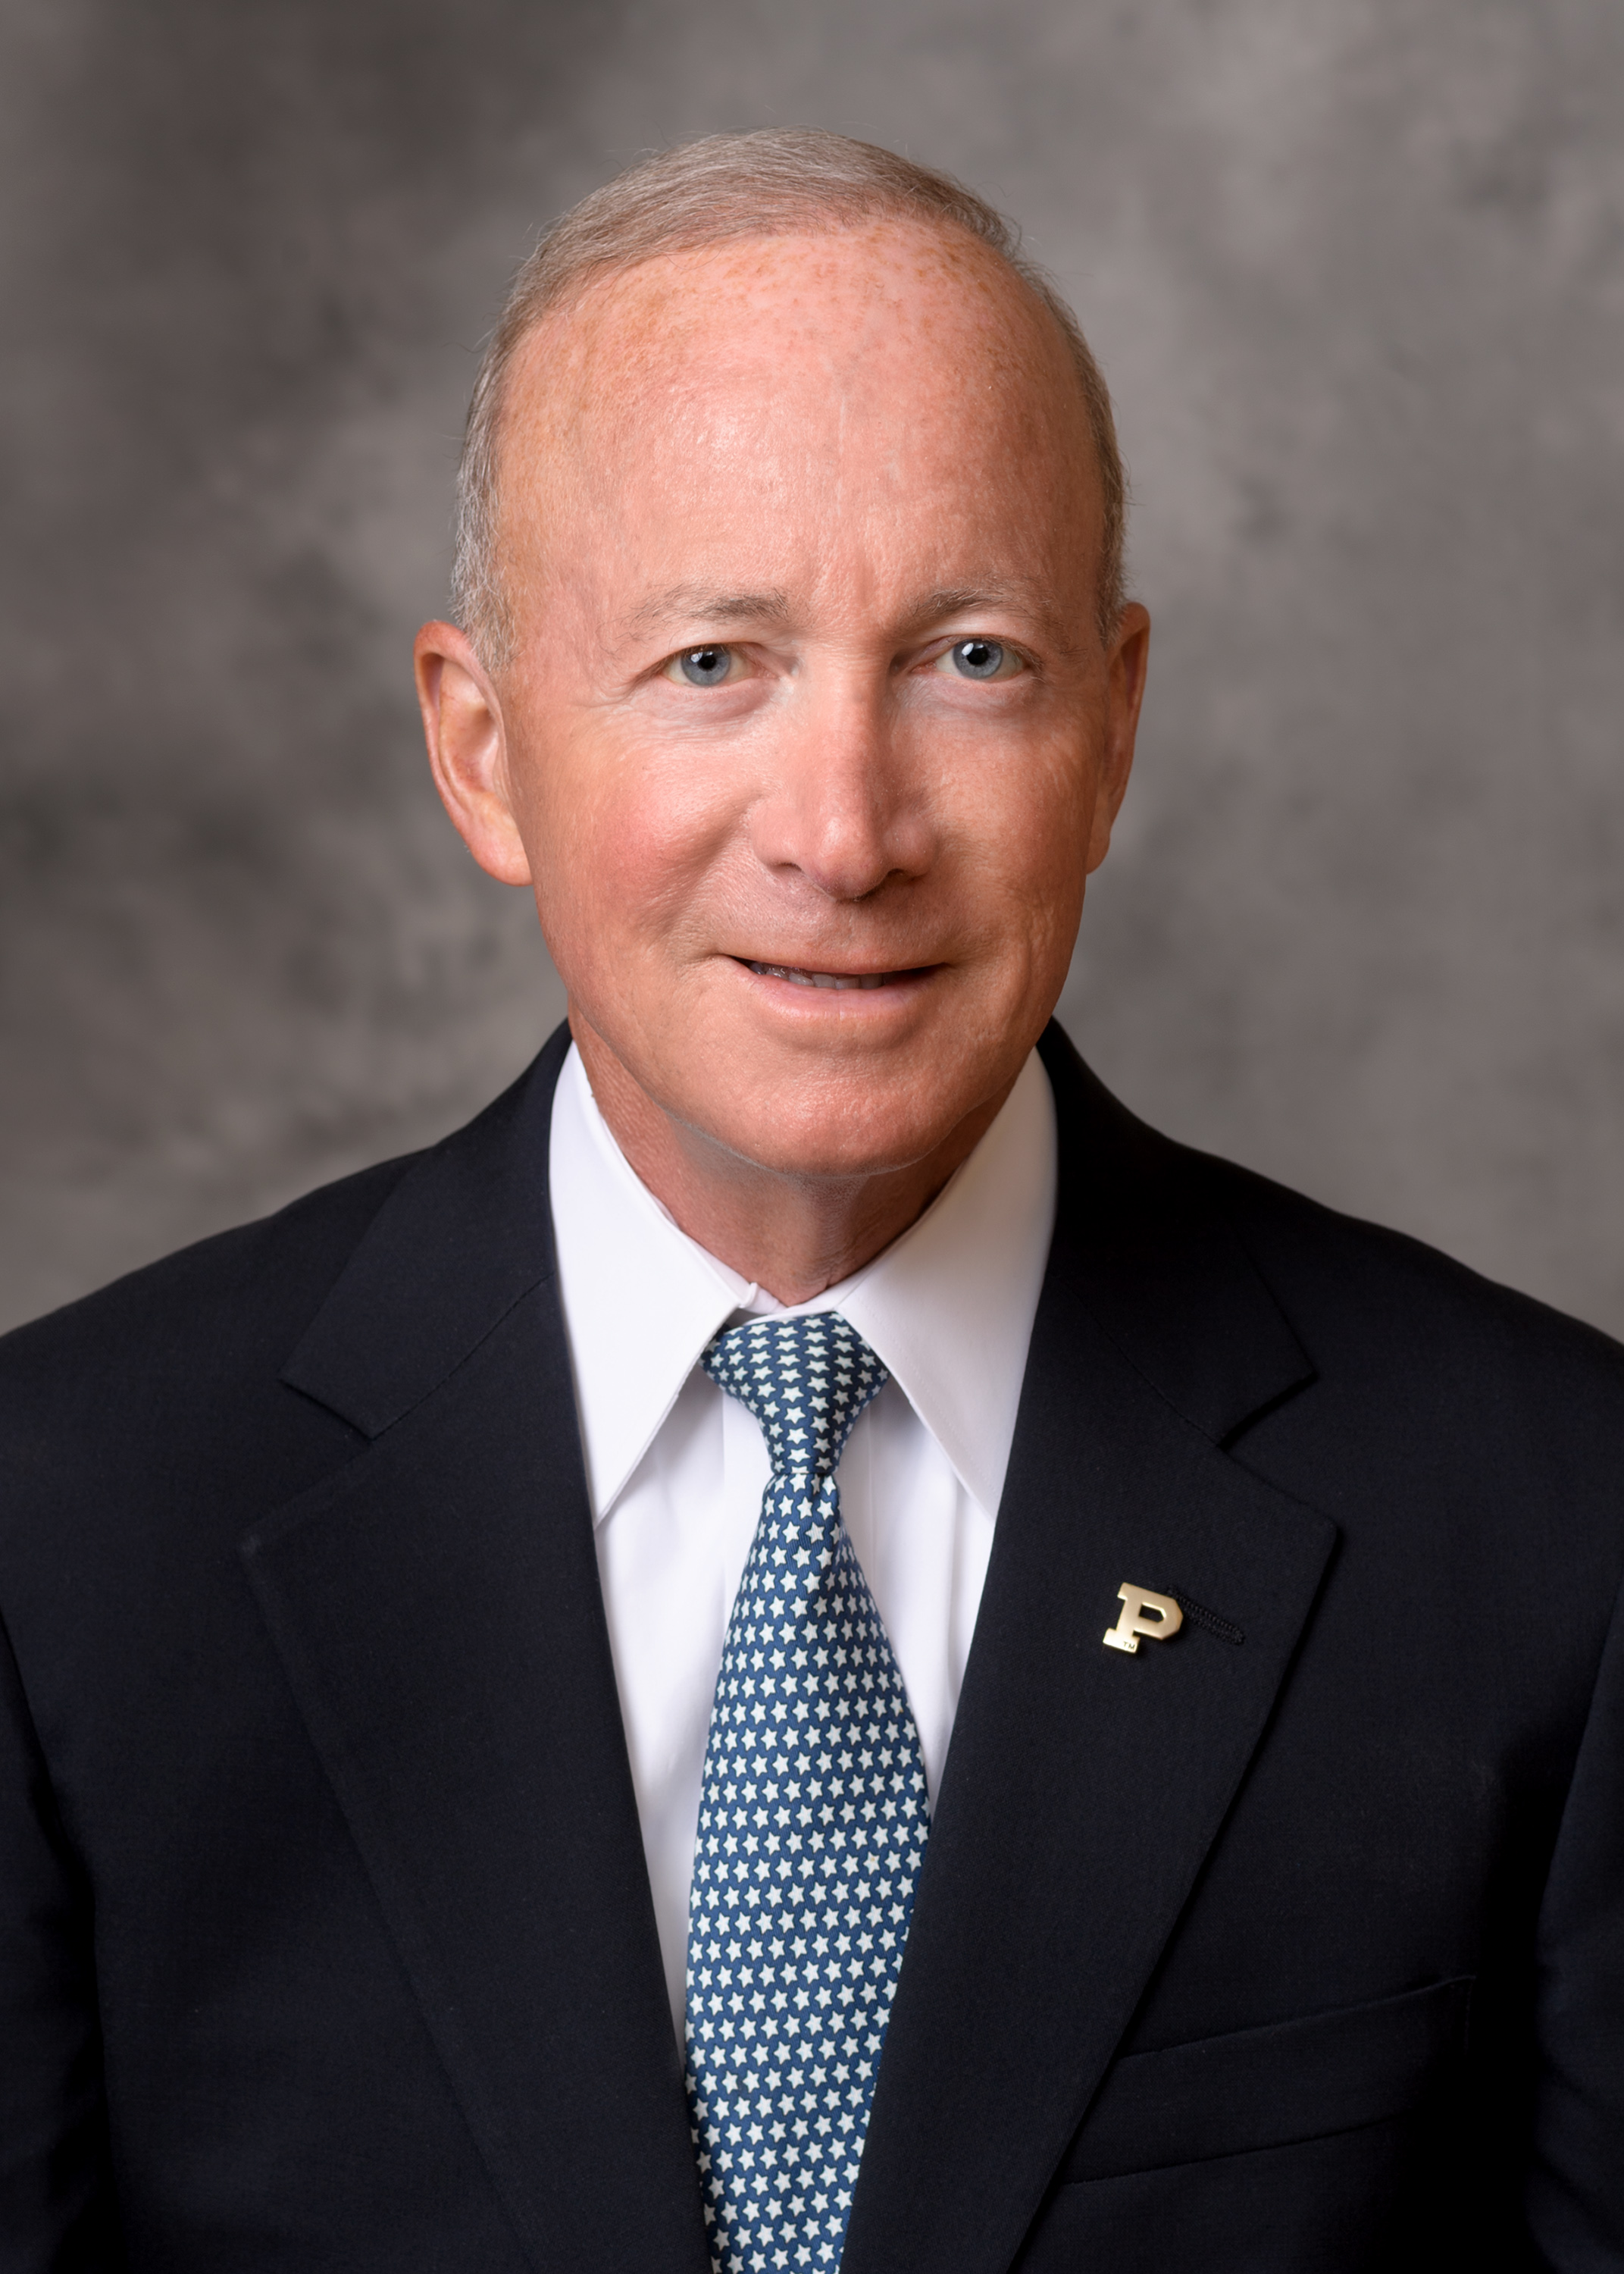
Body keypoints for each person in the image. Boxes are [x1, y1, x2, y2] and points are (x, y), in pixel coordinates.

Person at [0, 127, 1619, 2274]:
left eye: (972, 659)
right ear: (482, 750)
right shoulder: (59, 1537)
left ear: (1115, 729)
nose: (846, 835)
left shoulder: (1556, 1529)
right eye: (712, 663)